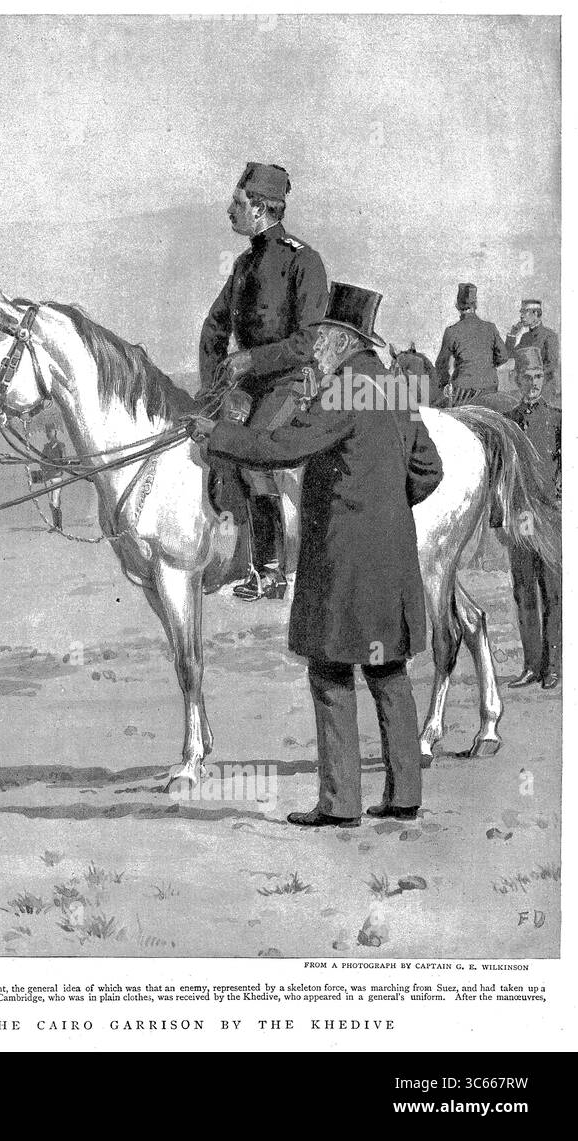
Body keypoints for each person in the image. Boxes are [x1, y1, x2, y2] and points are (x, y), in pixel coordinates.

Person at [188, 284, 444, 826]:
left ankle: (340, 804)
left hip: (342, 560)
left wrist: (219, 434)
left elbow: (283, 448)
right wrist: (387, 509)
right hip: (391, 558)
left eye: (321, 338)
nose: (315, 349)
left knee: (329, 674)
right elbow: (428, 470)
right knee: (388, 671)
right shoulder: (395, 389)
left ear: (342, 339)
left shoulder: (342, 390)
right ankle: (404, 797)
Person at [198, 162, 329, 601]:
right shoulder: (243, 263)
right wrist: (211, 384)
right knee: (211, 441)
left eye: (236, 204)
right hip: (248, 384)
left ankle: (270, 571)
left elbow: (308, 341)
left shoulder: (304, 260)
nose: (229, 212)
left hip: (290, 380)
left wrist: (251, 359)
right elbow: (214, 327)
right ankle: (234, 559)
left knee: (251, 449)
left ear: (259, 209)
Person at [503, 345, 561, 690]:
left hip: (550, 516)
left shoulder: (558, 418)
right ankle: (531, 666)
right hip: (520, 516)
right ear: (516, 380)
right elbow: (502, 473)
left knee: (553, 592)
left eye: (538, 376)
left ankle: (553, 667)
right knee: (524, 591)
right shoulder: (508, 421)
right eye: (527, 377)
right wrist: (502, 518)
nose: (534, 383)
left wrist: (559, 495)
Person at [433, 283, 513, 411]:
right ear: (476, 305)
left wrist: (445, 383)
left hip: (462, 392)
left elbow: (441, 364)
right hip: (489, 388)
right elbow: (503, 356)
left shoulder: (451, 331)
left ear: (457, 305)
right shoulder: (490, 327)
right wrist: (486, 365)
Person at [506, 298, 560, 410]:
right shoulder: (525, 337)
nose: (521, 316)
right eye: (521, 312)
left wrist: (532, 375)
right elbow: (510, 354)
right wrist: (512, 335)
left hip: (545, 389)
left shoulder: (549, 336)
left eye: (525, 312)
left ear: (535, 314)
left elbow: (552, 364)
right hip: (527, 388)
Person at [31, 421, 67, 532]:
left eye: (49, 431)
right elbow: (41, 461)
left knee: (55, 501)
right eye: (47, 432)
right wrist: (44, 464)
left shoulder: (61, 446)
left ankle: (59, 526)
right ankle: (55, 525)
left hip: (56, 477)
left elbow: (64, 461)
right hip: (47, 477)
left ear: (55, 432)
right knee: (51, 502)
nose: (48, 434)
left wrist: (53, 463)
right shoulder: (46, 447)